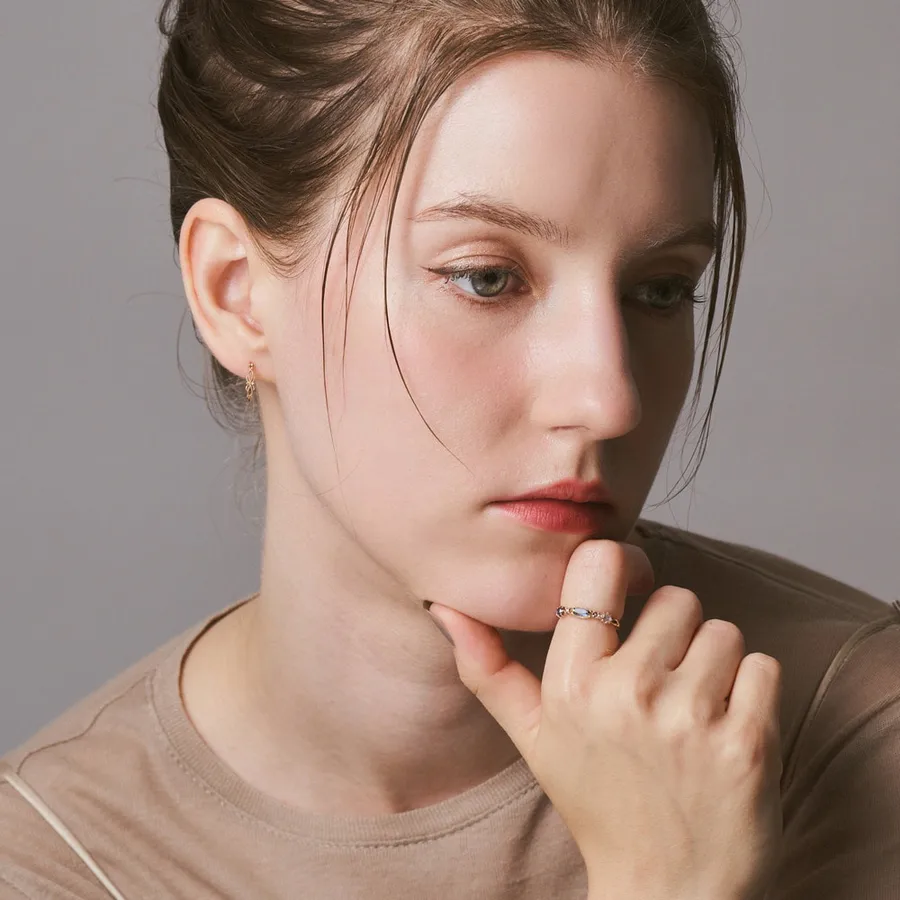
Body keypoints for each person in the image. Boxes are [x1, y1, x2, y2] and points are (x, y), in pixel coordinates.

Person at [2, 0, 898, 897]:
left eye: (661, 290)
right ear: (236, 293)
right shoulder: (56, 861)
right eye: (487, 278)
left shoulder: (857, 736)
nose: (608, 399)